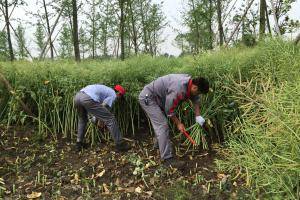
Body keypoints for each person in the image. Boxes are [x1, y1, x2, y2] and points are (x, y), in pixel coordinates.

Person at [139, 74, 209, 168]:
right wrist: (179, 124)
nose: (198, 95)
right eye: (198, 92)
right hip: (148, 98)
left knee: (161, 123)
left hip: (158, 98)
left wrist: (198, 115)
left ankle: (158, 145)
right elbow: (169, 111)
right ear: (195, 87)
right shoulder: (178, 89)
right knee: (162, 124)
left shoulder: (191, 83)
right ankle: (167, 159)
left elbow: (196, 99)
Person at [74, 84, 130, 152]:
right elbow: (103, 106)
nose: (118, 99)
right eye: (120, 97)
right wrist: (98, 120)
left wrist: (98, 119)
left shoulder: (106, 90)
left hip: (77, 97)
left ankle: (78, 144)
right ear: (119, 93)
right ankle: (120, 144)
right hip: (87, 98)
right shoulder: (113, 94)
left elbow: (99, 109)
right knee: (110, 119)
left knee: (82, 119)